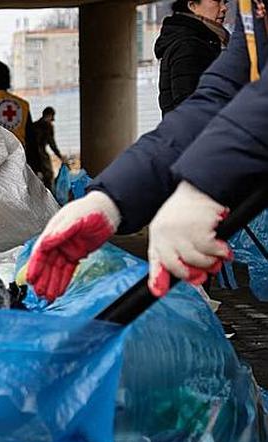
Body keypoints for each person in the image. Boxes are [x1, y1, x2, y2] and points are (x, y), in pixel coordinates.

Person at [27, 1, 267, 301]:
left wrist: (202, 185)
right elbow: (216, 97)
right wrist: (110, 199)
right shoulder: (242, 19)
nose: (225, 5)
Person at [155, 0, 229, 115]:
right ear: (192, 5)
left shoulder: (202, 40)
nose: (224, 8)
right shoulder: (189, 46)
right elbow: (189, 108)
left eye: (225, 2)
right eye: (217, 1)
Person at [34, 107, 64, 189]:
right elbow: (52, 144)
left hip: (31, 154)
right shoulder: (48, 126)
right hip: (41, 154)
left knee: (35, 176)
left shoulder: (34, 125)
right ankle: (49, 196)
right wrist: (60, 157)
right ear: (50, 115)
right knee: (49, 176)